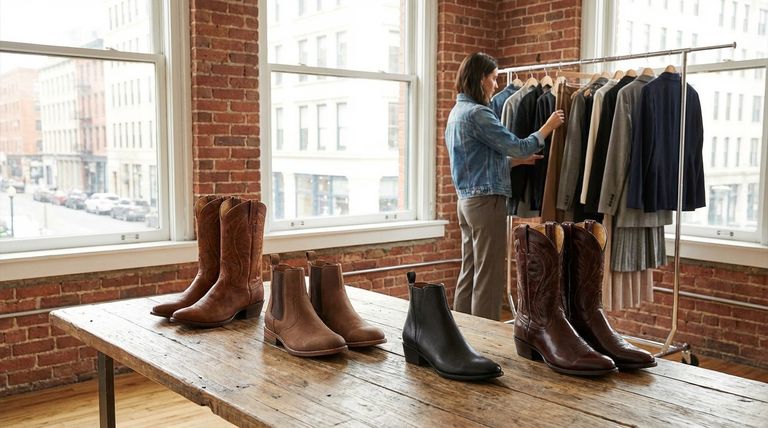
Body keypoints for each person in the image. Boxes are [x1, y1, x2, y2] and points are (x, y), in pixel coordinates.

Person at [445, 52, 565, 320]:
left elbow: (476, 159)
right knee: (489, 276)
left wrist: (513, 162)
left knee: (470, 269)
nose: (497, 85)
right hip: (487, 202)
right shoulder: (479, 114)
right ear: (480, 79)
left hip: (466, 202)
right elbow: (517, 144)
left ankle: (461, 332)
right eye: (494, 78)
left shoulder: (457, 112)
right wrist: (548, 126)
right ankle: (484, 341)